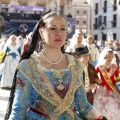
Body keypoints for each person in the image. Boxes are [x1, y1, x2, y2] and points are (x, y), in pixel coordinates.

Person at [8, 12, 107, 120]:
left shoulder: (75, 65)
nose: (59, 33)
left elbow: (83, 106)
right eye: (53, 28)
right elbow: (18, 111)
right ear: (41, 32)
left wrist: (99, 118)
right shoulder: (27, 67)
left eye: (63, 29)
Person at [93, 48, 120, 120]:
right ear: (105, 56)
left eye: (112, 56)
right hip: (101, 90)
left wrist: (118, 86)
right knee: (101, 107)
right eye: (109, 56)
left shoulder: (115, 67)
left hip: (112, 90)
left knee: (113, 107)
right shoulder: (100, 67)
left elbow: (117, 78)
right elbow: (93, 75)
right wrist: (96, 79)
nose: (110, 58)